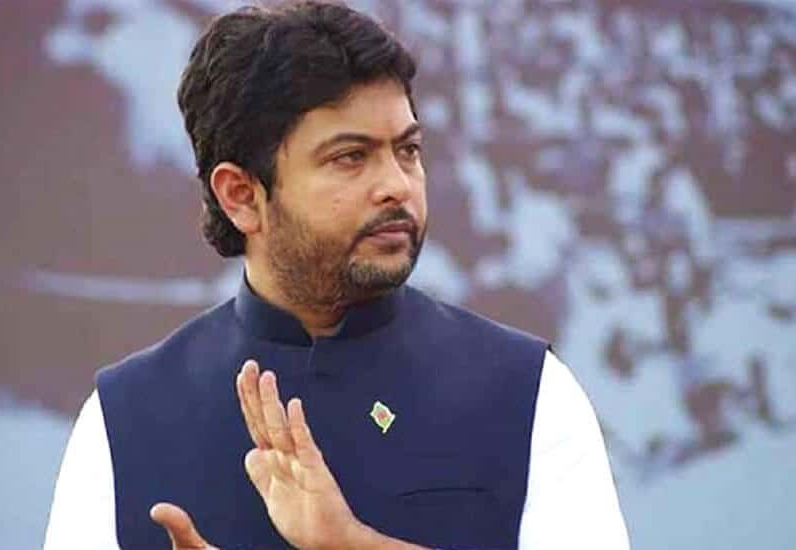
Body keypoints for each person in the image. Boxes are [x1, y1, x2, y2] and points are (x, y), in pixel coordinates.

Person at [44, 2, 630, 548]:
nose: (397, 185)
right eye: (351, 157)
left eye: (408, 150)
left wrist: (354, 544)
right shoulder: (125, 419)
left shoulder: (526, 392)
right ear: (241, 195)